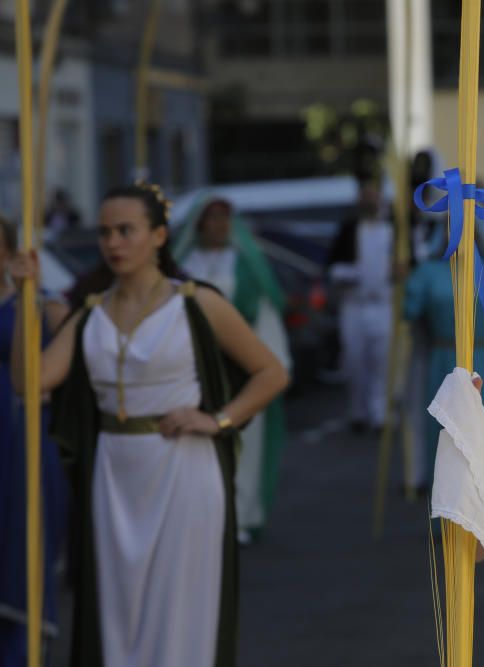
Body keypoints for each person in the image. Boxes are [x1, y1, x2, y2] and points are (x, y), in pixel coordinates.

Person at [9, 183, 289, 667]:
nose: (113, 242)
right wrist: (24, 302)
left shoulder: (195, 303)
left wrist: (218, 419)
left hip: (183, 471)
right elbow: (29, 383)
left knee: (181, 612)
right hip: (114, 475)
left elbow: (272, 373)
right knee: (118, 612)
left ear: (159, 236)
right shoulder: (90, 314)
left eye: (126, 230)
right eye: (104, 232)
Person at [173, 196, 291, 544]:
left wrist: (274, 364)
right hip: (191, 367)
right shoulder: (183, 265)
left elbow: (266, 315)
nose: (218, 226)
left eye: (224, 219)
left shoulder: (246, 267)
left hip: (237, 368)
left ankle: (239, 513)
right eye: (211, 219)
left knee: (243, 440)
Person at [0, 215, 70, 666]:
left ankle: (20, 651)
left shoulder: (42, 305)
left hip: (18, 433)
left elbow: (61, 372)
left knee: (22, 539)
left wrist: (29, 292)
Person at [404, 220, 484, 488]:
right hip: (443, 362)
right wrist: (406, 279)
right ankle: (444, 522)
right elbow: (410, 311)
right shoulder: (429, 272)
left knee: (481, 437)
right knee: (443, 435)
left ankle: (482, 519)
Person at [327, 180, 394, 433]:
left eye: (373, 195)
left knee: (382, 359)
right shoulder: (349, 229)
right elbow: (333, 266)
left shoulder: (392, 230)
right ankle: (358, 410)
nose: (369, 201)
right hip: (355, 304)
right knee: (355, 359)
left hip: (383, 304)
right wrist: (348, 274)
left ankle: (380, 413)